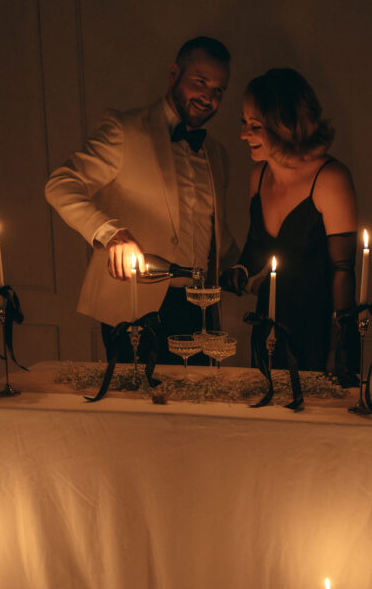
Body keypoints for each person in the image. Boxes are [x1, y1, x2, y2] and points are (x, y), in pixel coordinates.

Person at [45, 36, 237, 362]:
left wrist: (246, 269)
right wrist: (110, 233)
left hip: (199, 311)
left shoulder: (216, 154)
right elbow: (60, 184)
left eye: (218, 90)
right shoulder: (126, 130)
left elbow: (211, 232)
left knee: (196, 408)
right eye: (200, 82)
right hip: (134, 307)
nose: (208, 97)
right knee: (136, 410)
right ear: (173, 73)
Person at [221, 67, 359, 382]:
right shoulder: (259, 174)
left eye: (254, 125)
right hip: (268, 323)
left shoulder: (330, 178)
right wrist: (242, 269)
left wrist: (340, 346)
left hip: (318, 331)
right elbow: (256, 244)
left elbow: (343, 271)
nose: (243, 134)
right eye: (243, 122)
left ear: (286, 127)